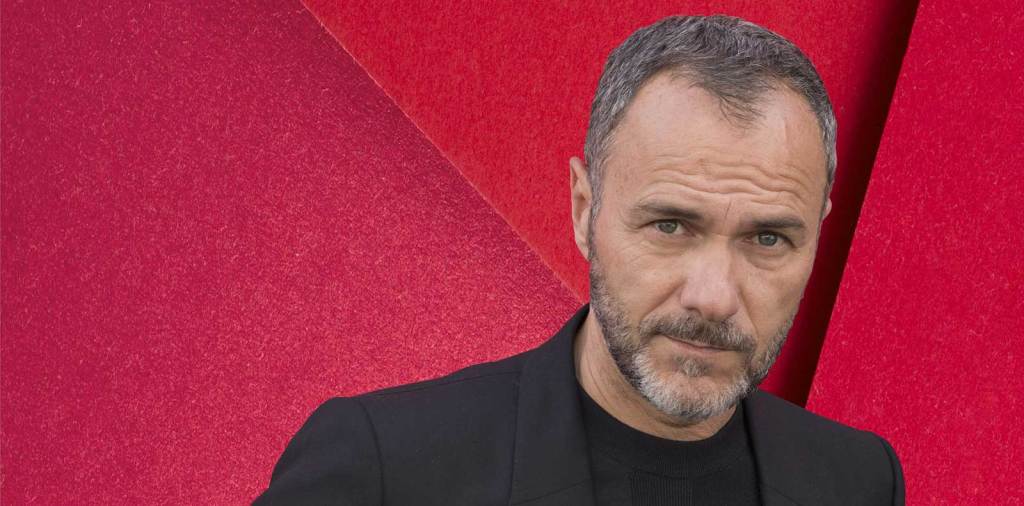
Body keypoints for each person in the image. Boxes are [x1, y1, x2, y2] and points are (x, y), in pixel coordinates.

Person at [254, 14, 904, 506]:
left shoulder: (859, 480)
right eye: (670, 226)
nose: (713, 296)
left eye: (767, 239)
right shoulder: (382, 469)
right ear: (583, 210)